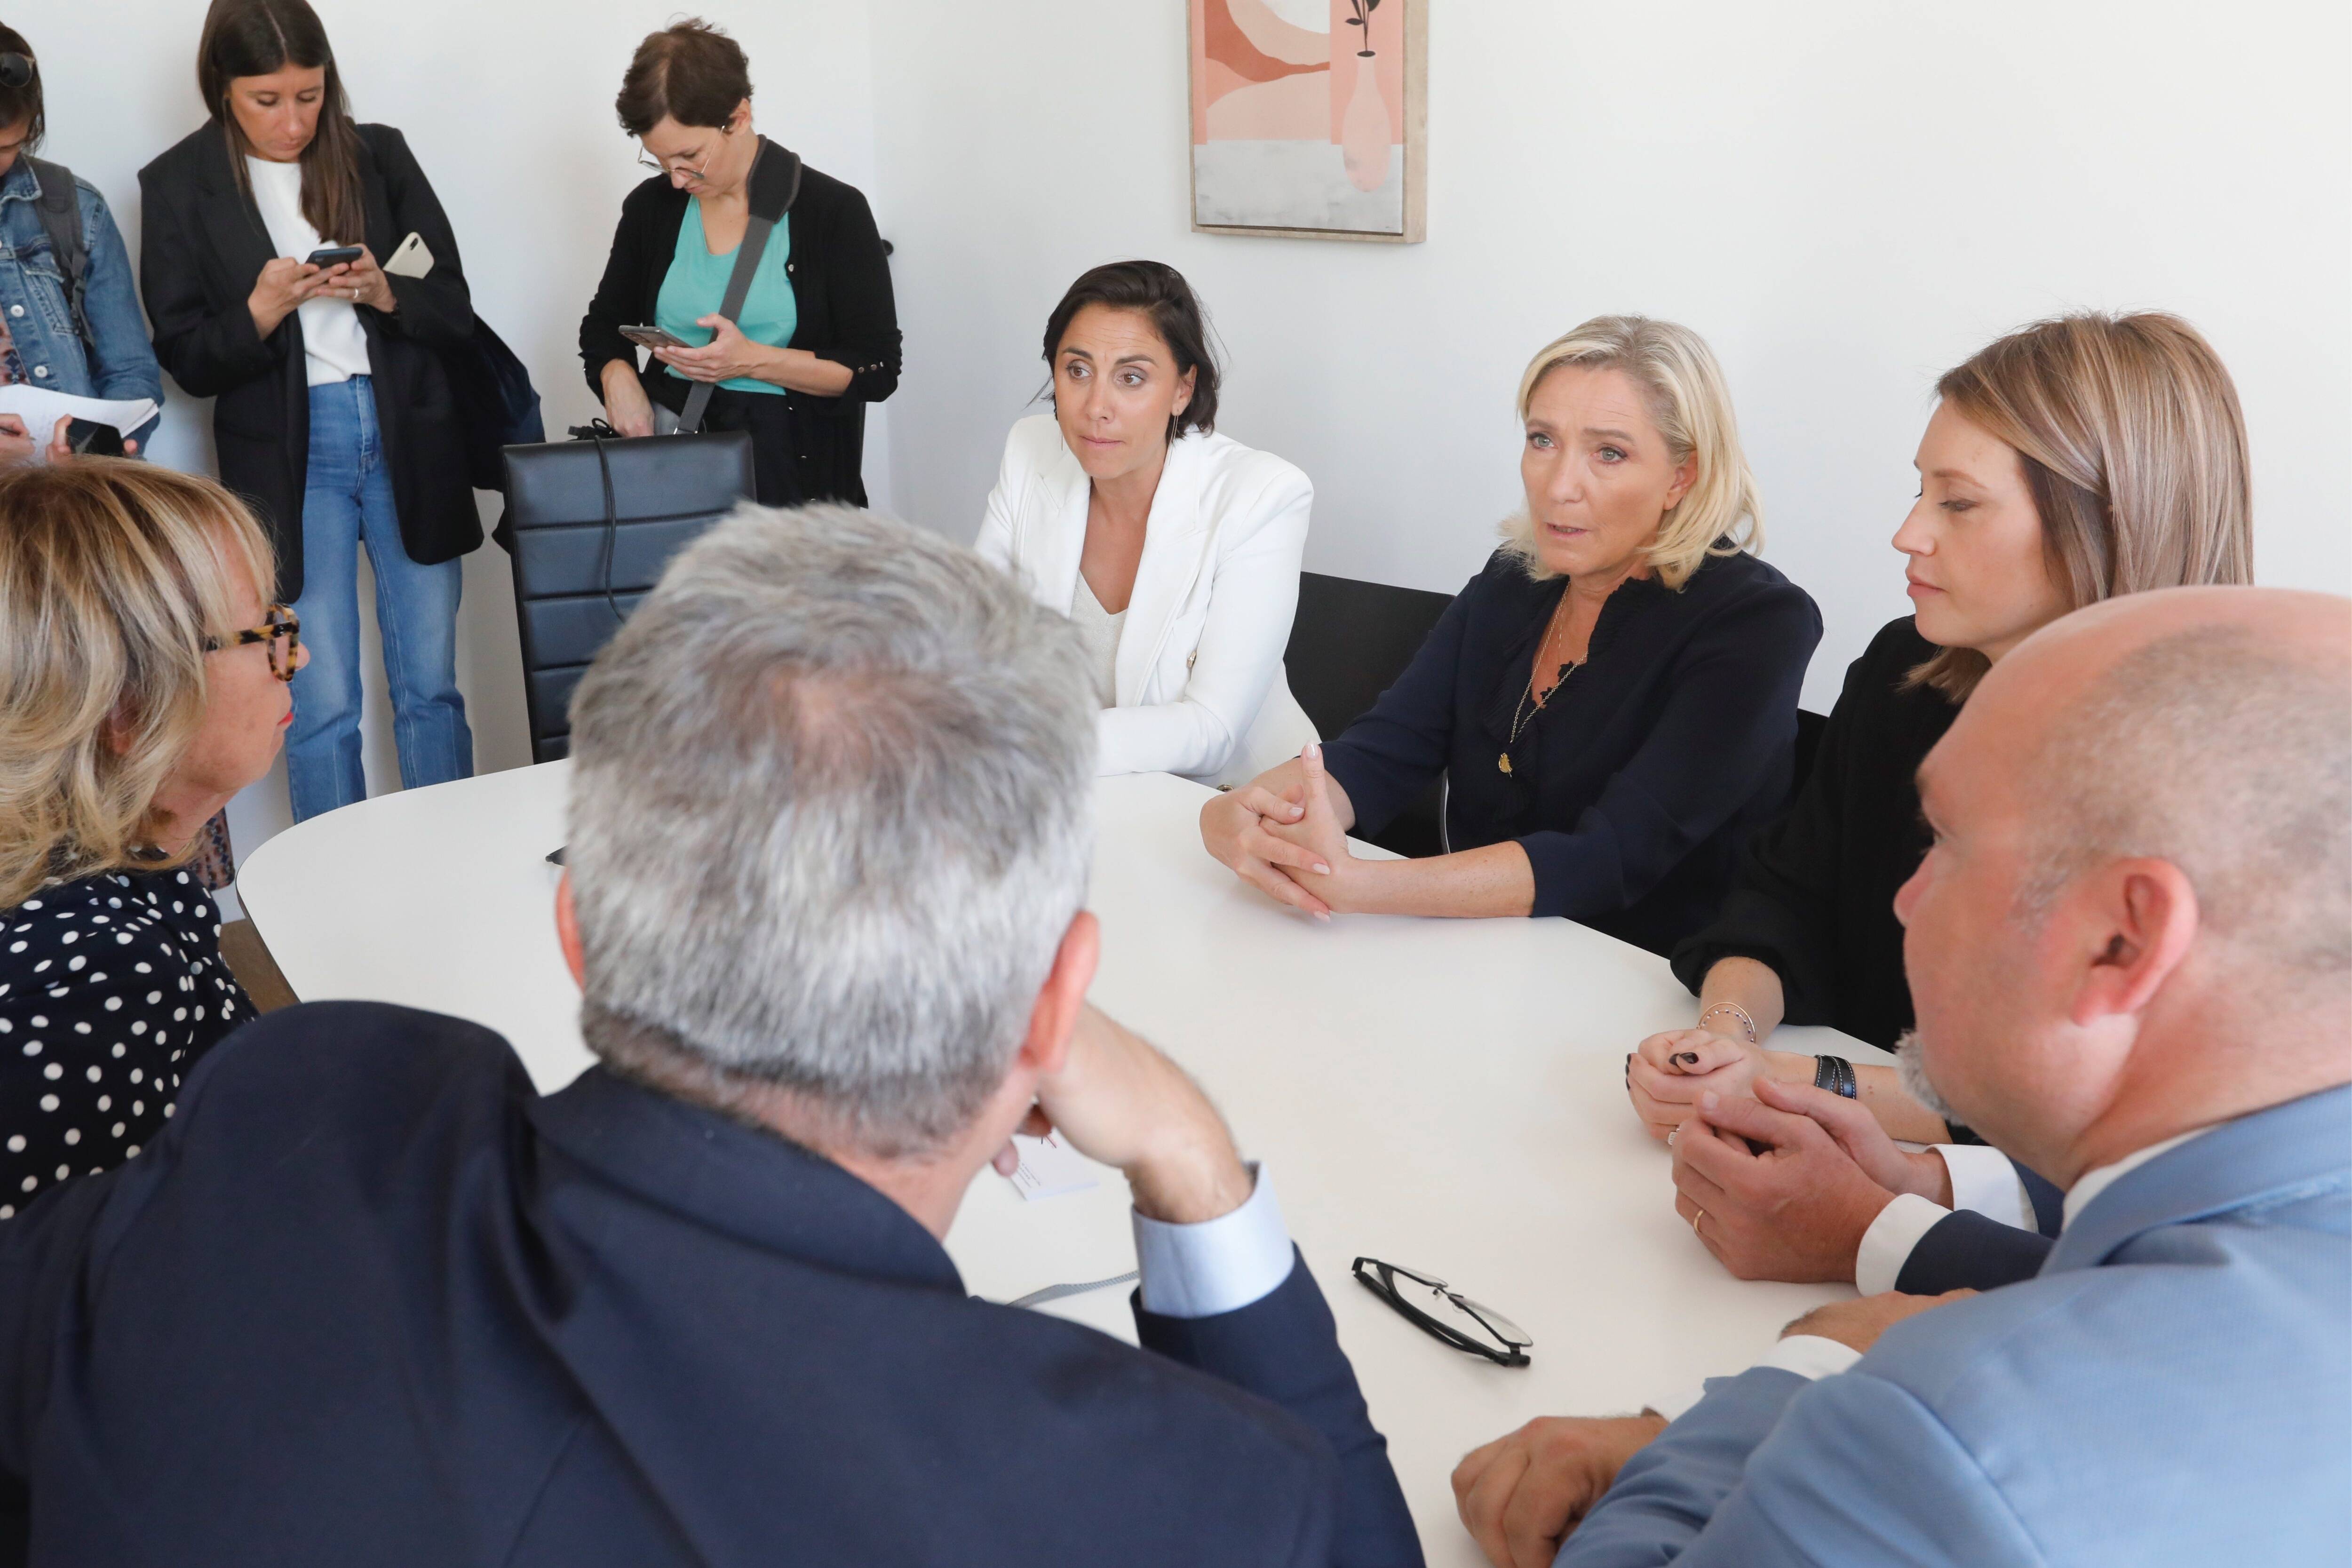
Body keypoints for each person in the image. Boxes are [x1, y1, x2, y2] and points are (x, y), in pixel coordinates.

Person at [0, 502, 1424, 1568]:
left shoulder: (291, 1118)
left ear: (577, 935)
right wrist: (1190, 1156)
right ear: (1052, 1007)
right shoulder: (1167, 1490)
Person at [1456, 586, 2350, 1568]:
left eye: (1945, 844)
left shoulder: (1942, 1436)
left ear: (2120, 939)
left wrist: (1815, 1368)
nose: (1905, 896)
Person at [1626, 312, 2255, 1294]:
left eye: (1958, 504)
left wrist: (1804, 1086)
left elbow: (2105, 1124)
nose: (1906, 533)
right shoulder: (1901, 669)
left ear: (2103, 524)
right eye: (1919, 490)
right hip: (1859, 1180)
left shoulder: (2225, 783)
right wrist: (1728, 1034)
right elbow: (1784, 894)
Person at [1201, 316, 1819, 954]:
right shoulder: (1513, 578)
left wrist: (1362, 884)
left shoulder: (1757, 624)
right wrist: (1241, 813)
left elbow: (1612, 856)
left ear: (1681, 477)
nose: (1559, 485)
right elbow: (1385, 752)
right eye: (1543, 439)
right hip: (1483, 954)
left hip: (1648, 989)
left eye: (1610, 453)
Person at [139, 0, 478, 824]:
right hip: (290, 452)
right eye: (268, 100)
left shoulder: (378, 155)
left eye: (310, 95)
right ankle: (337, 899)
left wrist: (384, 290)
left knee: (430, 688)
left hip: (406, 432)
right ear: (222, 88)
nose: (293, 121)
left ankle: (455, 859)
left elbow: (456, 312)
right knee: (318, 705)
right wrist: (258, 311)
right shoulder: (180, 182)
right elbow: (185, 358)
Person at [0, 461, 304, 1221]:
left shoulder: (137, 860)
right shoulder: (90, 978)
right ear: (131, 702)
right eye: (267, 631)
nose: (295, 657)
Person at [977, 260, 1317, 784]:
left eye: (1131, 378)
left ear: (1182, 389)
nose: (1096, 407)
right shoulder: (1031, 452)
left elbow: (1208, 730)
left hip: (1233, 801)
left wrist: (1034, 746)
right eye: (1077, 371)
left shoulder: (1261, 495)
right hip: (1077, 790)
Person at [581, 19, 900, 509]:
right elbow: (603, 327)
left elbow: (875, 369)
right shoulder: (651, 209)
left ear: (739, 116)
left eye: (690, 157)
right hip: (673, 470)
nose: (677, 180)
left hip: (793, 481)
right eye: (660, 162)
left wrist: (750, 360)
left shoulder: (831, 211)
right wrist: (618, 379)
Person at [0, 26, 163, 462]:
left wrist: (100, 450)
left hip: (67, 500)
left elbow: (131, 370)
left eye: (7, 147)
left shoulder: (73, 208)